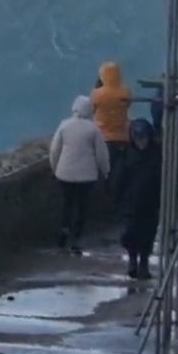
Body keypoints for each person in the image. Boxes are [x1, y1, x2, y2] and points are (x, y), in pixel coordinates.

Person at [49, 94, 110, 255]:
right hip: (86, 176)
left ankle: (63, 232)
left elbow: (54, 150)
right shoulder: (93, 129)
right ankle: (76, 238)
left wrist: (54, 168)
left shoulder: (64, 125)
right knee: (82, 206)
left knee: (67, 204)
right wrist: (105, 171)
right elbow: (101, 154)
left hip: (65, 173)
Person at [114, 118, 161, 280]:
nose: (141, 141)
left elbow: (162, 177)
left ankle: (144, 264)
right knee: (130, 234)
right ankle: (133, 261)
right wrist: (118, 198)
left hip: (151, 202)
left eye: (143, 137)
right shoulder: (126, 153)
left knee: (148, 234)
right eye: (137, 137)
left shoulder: (157, 153)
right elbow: (119, 178)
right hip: (131, 202)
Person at [90, 60, 131, 192]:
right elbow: (127, 105)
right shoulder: (125, 92)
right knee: (118, 172)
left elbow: (91, 108)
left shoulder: (97, 94)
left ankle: (104, 196)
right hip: (121, 136)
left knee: (103, 170)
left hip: (103, 136)